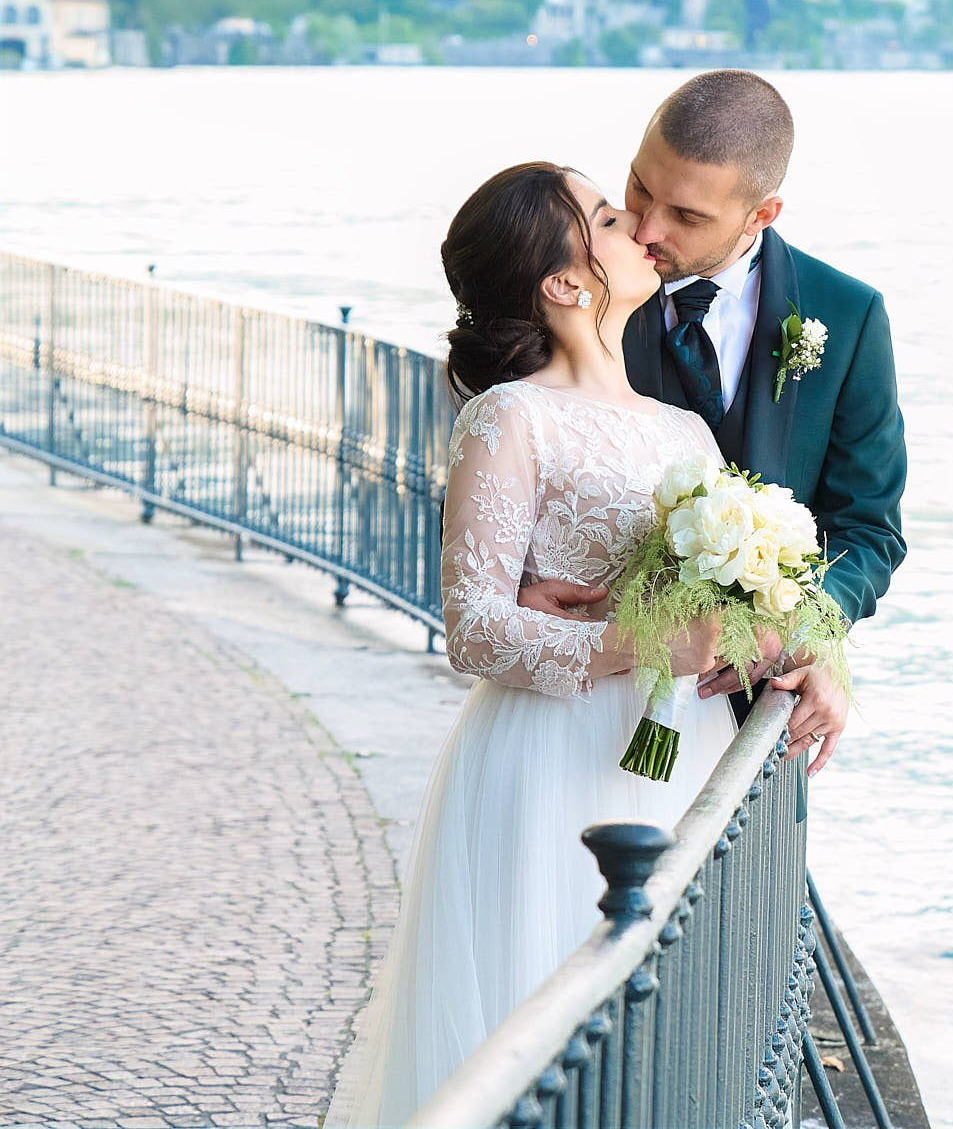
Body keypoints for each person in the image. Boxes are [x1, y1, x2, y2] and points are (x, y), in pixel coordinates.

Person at [326, 161, 796, 1125]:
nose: (642, 231)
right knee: (540, 1010)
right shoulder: (509, 417)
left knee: (659, 1019)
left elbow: (716, 613)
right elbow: (474, 629)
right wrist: (638, 637)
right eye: (614, 218)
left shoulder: (684, 431)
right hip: (547, 758)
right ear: (568, 283)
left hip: (673, 750)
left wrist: (758, 631)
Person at [519, 71, 908, 776]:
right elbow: (501, 456)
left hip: (757, 719)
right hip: (586, 709)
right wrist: (516, 583)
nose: (646, 228)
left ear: (763, 214)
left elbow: (869, 529)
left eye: (688, 216)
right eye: (639, 187)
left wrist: (807, 630)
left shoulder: (847, 316)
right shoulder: (579, 287)